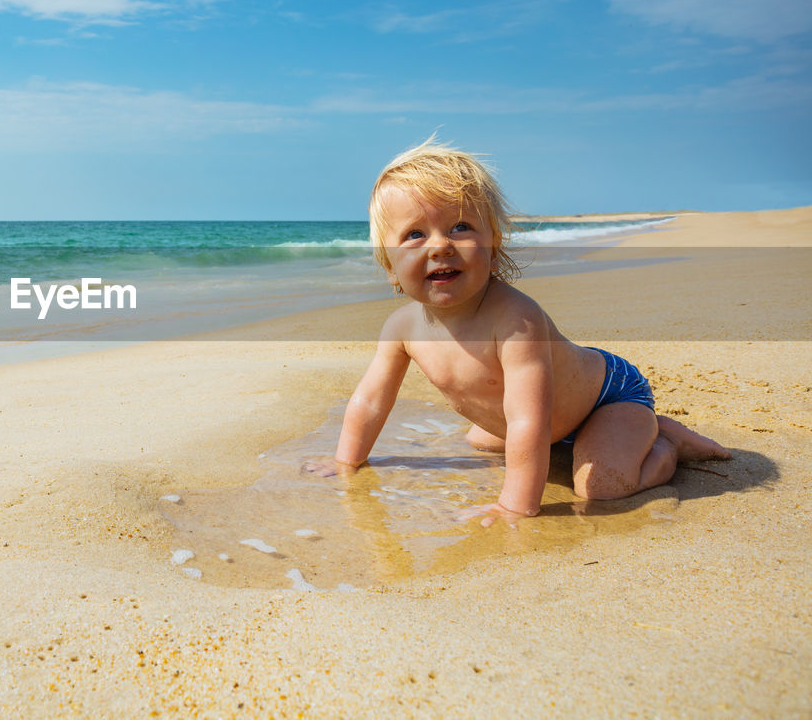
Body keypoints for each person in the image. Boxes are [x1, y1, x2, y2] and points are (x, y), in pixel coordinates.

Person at [306, 138, 729, 527]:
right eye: (414, 234)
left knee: (603, 487)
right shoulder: (401, 328)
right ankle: (595, 438)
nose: (440, 246)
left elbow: (529, 421)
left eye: (460, 227)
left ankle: (662, 444)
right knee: (480, 439)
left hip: (607, 396)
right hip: (557, 414)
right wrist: (347, 461)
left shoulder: (515, 320)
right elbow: (370, 400)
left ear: (494, 245)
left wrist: (515, 504)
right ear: (389, 265)